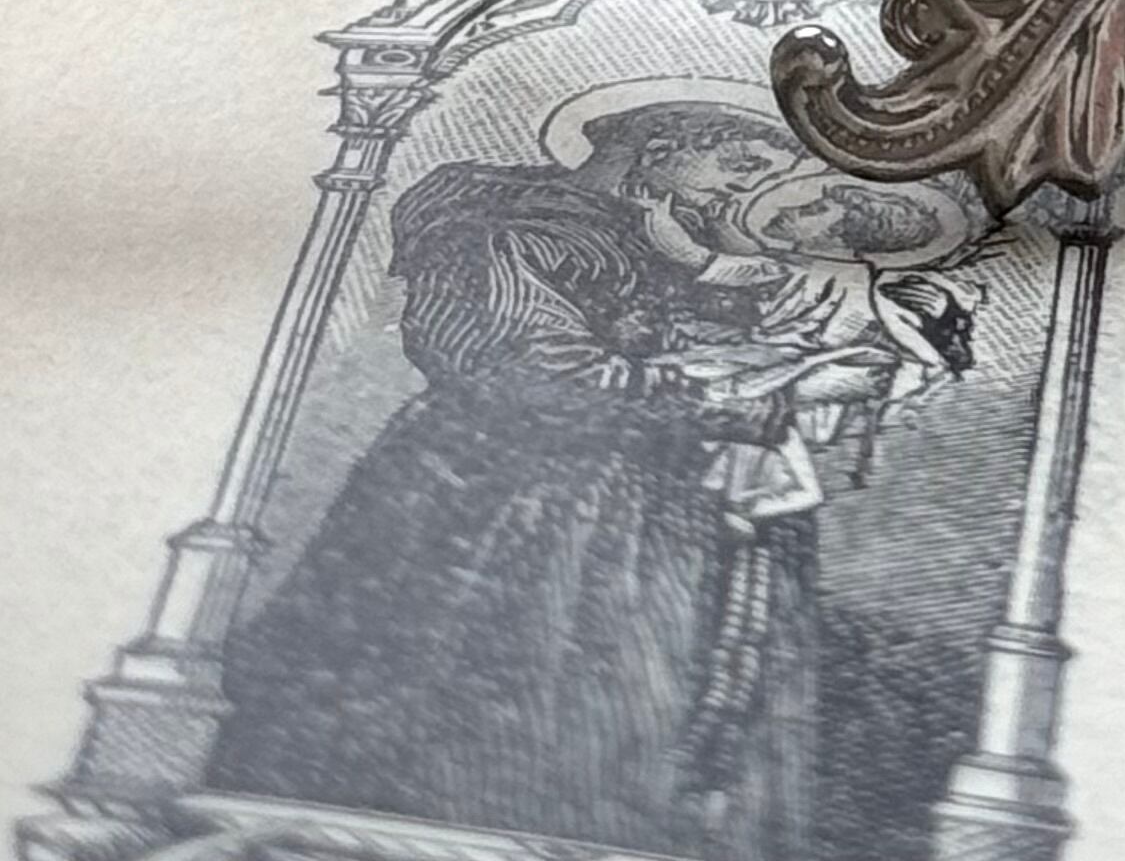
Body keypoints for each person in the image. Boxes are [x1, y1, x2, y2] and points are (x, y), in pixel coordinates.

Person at [211, 99, 894, 858]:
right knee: (526, 717)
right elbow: (540, 377)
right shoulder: (500, 230)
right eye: (738, 166)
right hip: (520, 500)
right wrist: (768, 398)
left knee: (642, 723)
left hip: (659, 499)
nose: (748, 192)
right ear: (659, 148)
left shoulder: (668, 239)